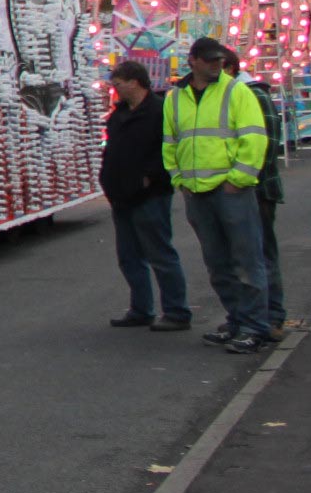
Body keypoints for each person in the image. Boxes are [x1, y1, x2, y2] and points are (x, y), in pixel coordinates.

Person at [162, 36, 271, 355]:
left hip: (230, 190)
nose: (216, 65)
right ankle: (237, 321)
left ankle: (254, 327)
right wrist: (179, 179)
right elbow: (170, 141)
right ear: (193, 61)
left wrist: (239, 179)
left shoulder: (236, 91)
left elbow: (254, 138)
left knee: (246, 260)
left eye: (219, 60)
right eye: (210, 60)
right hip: (198, 192)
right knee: (218, 263)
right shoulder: (175, 98)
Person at [101, 60, 189, 331]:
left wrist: (149, 178)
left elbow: (168, 150)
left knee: (160, 254)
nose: (115, 89)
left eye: (118, 84)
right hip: (121, 196)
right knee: (129, 257)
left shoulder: (159, 111)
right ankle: (141, 309)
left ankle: (176, 312)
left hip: (151, 195)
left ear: (134, 82)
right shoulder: (119, 114)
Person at [225, 51, 290, 341]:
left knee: (261, 254)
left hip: (258, 190)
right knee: (240, 257)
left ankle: (272, 317)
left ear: (228, 67)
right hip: (237, 188)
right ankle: (247, 317)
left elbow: (269, 144)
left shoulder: (253, 94)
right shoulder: (230, 94)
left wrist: (245, 179)